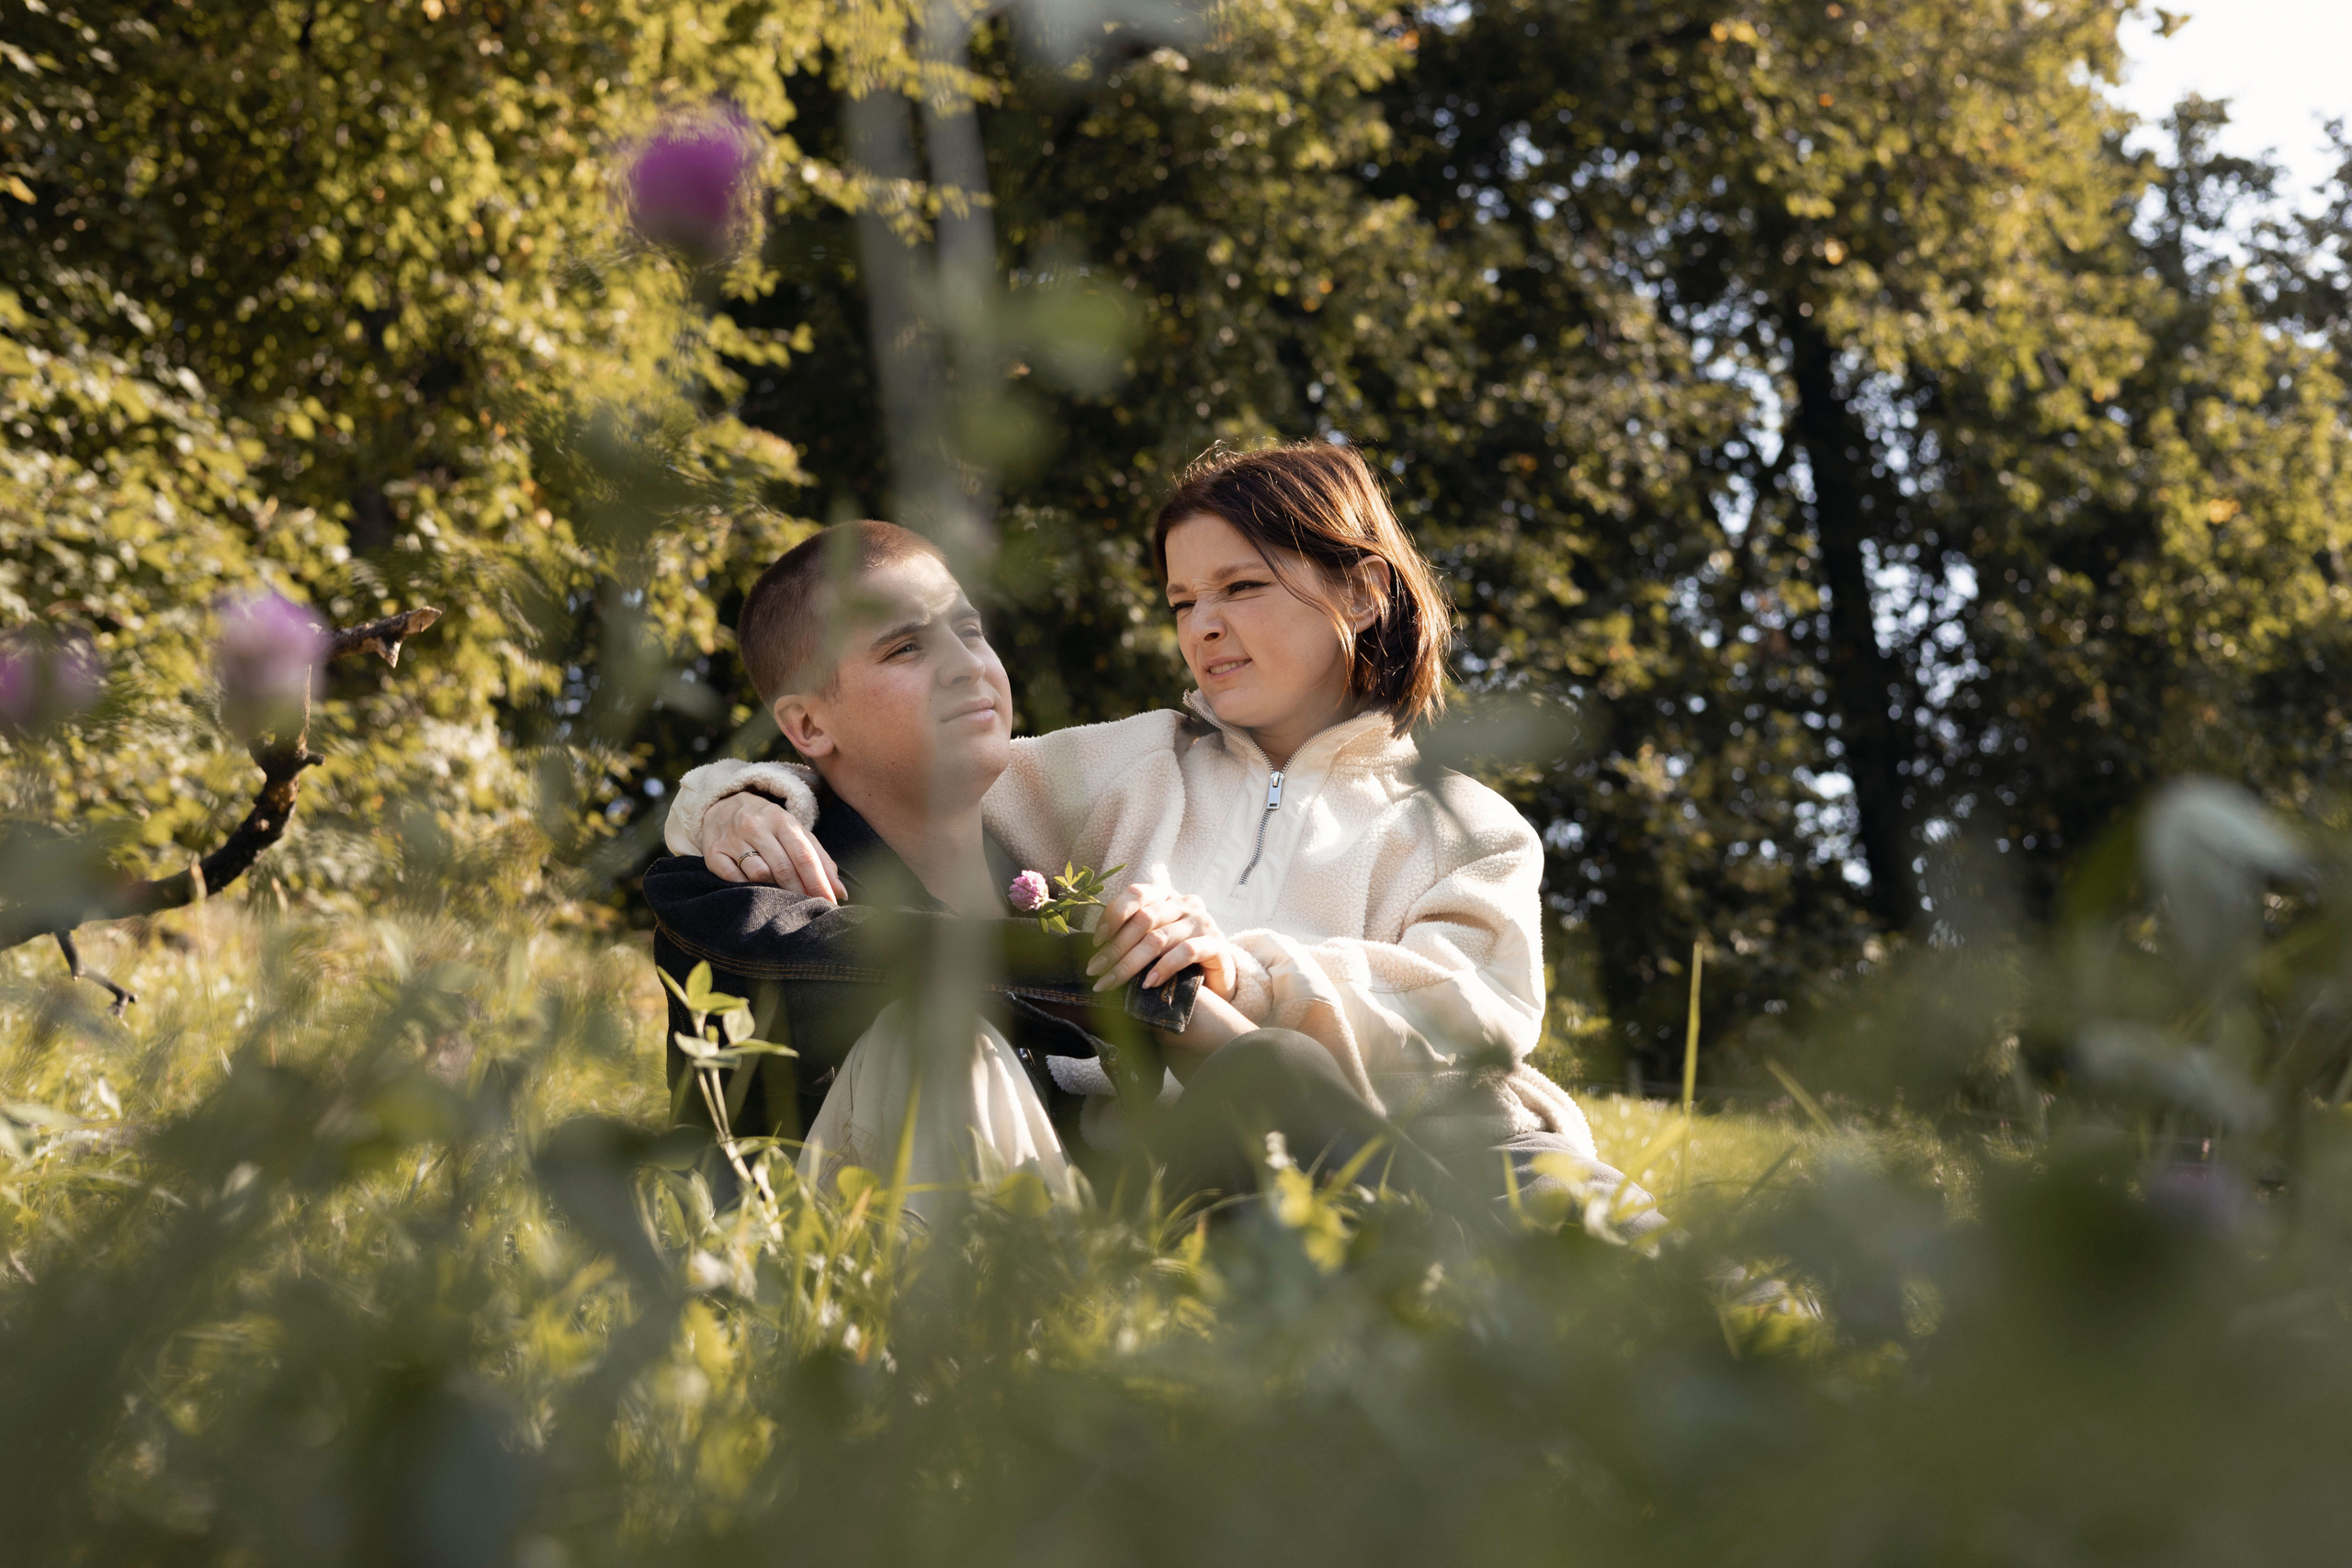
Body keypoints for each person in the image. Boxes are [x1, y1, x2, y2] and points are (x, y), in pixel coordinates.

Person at [665, 444, 1617, 1202]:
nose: (1202, 624)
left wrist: (1242, 974)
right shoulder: (1114, 764)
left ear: (1364, 594)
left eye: (1241, 588)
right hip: (1186, 1157)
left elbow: (1461, 1024)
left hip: (1452, 1136)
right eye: (1181, 601)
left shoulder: (1469, 829)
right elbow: (897, 780)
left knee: (1601, 1241)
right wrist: (737, 795)